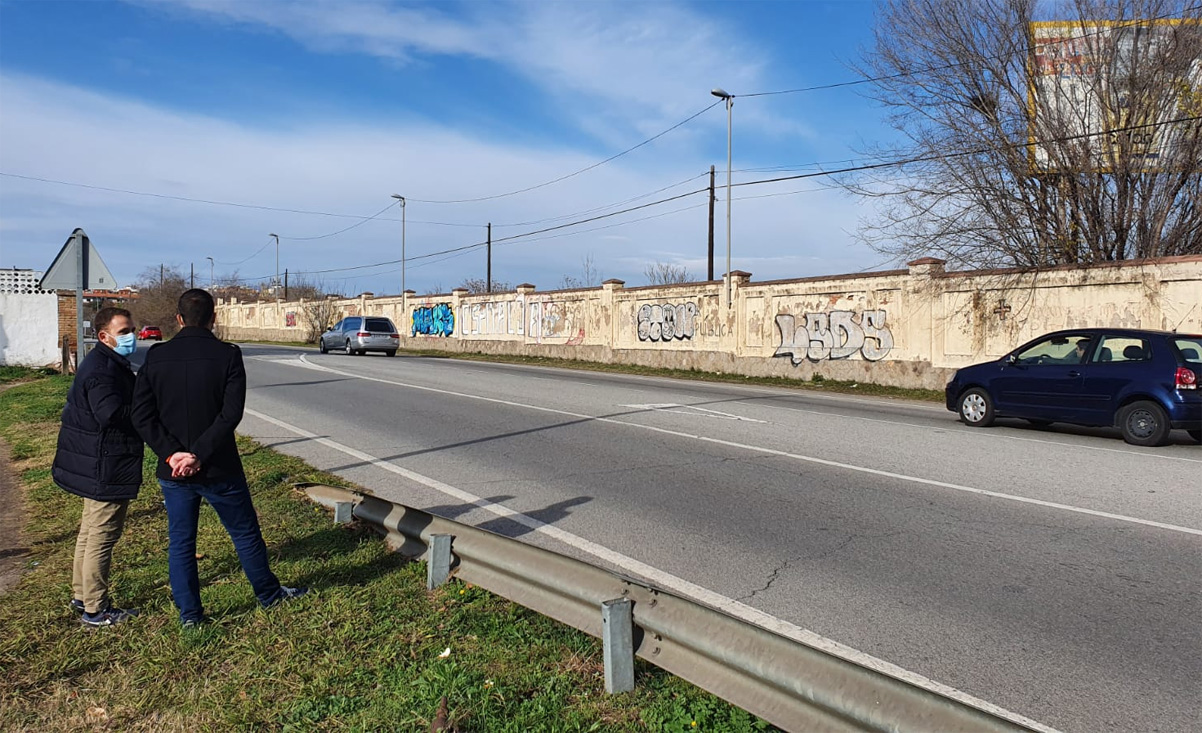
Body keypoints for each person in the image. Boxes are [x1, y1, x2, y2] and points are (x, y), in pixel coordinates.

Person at [132, 289, 306, 626]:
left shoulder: (156, 357)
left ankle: (191, 616)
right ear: (214, 318)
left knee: (181, 541)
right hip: (219, 467)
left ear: (179, 319)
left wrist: (173, 455)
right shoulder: (227, 355)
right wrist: (198, 454)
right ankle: (269, 595)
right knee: (244, 533)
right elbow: (230, 415)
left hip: (173, 472)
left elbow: (141, 415)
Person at [52, 306, 142, 627]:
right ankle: (96, 608)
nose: (131, 336)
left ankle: (81, 594)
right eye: (124, 332)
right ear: (104, 336)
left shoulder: (104, 362)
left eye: (132, 329)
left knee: (89, 532)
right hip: (105, 463)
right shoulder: (102, 369)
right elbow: (111, 414)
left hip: (96, 462)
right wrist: (146, 409)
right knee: (102, 535)